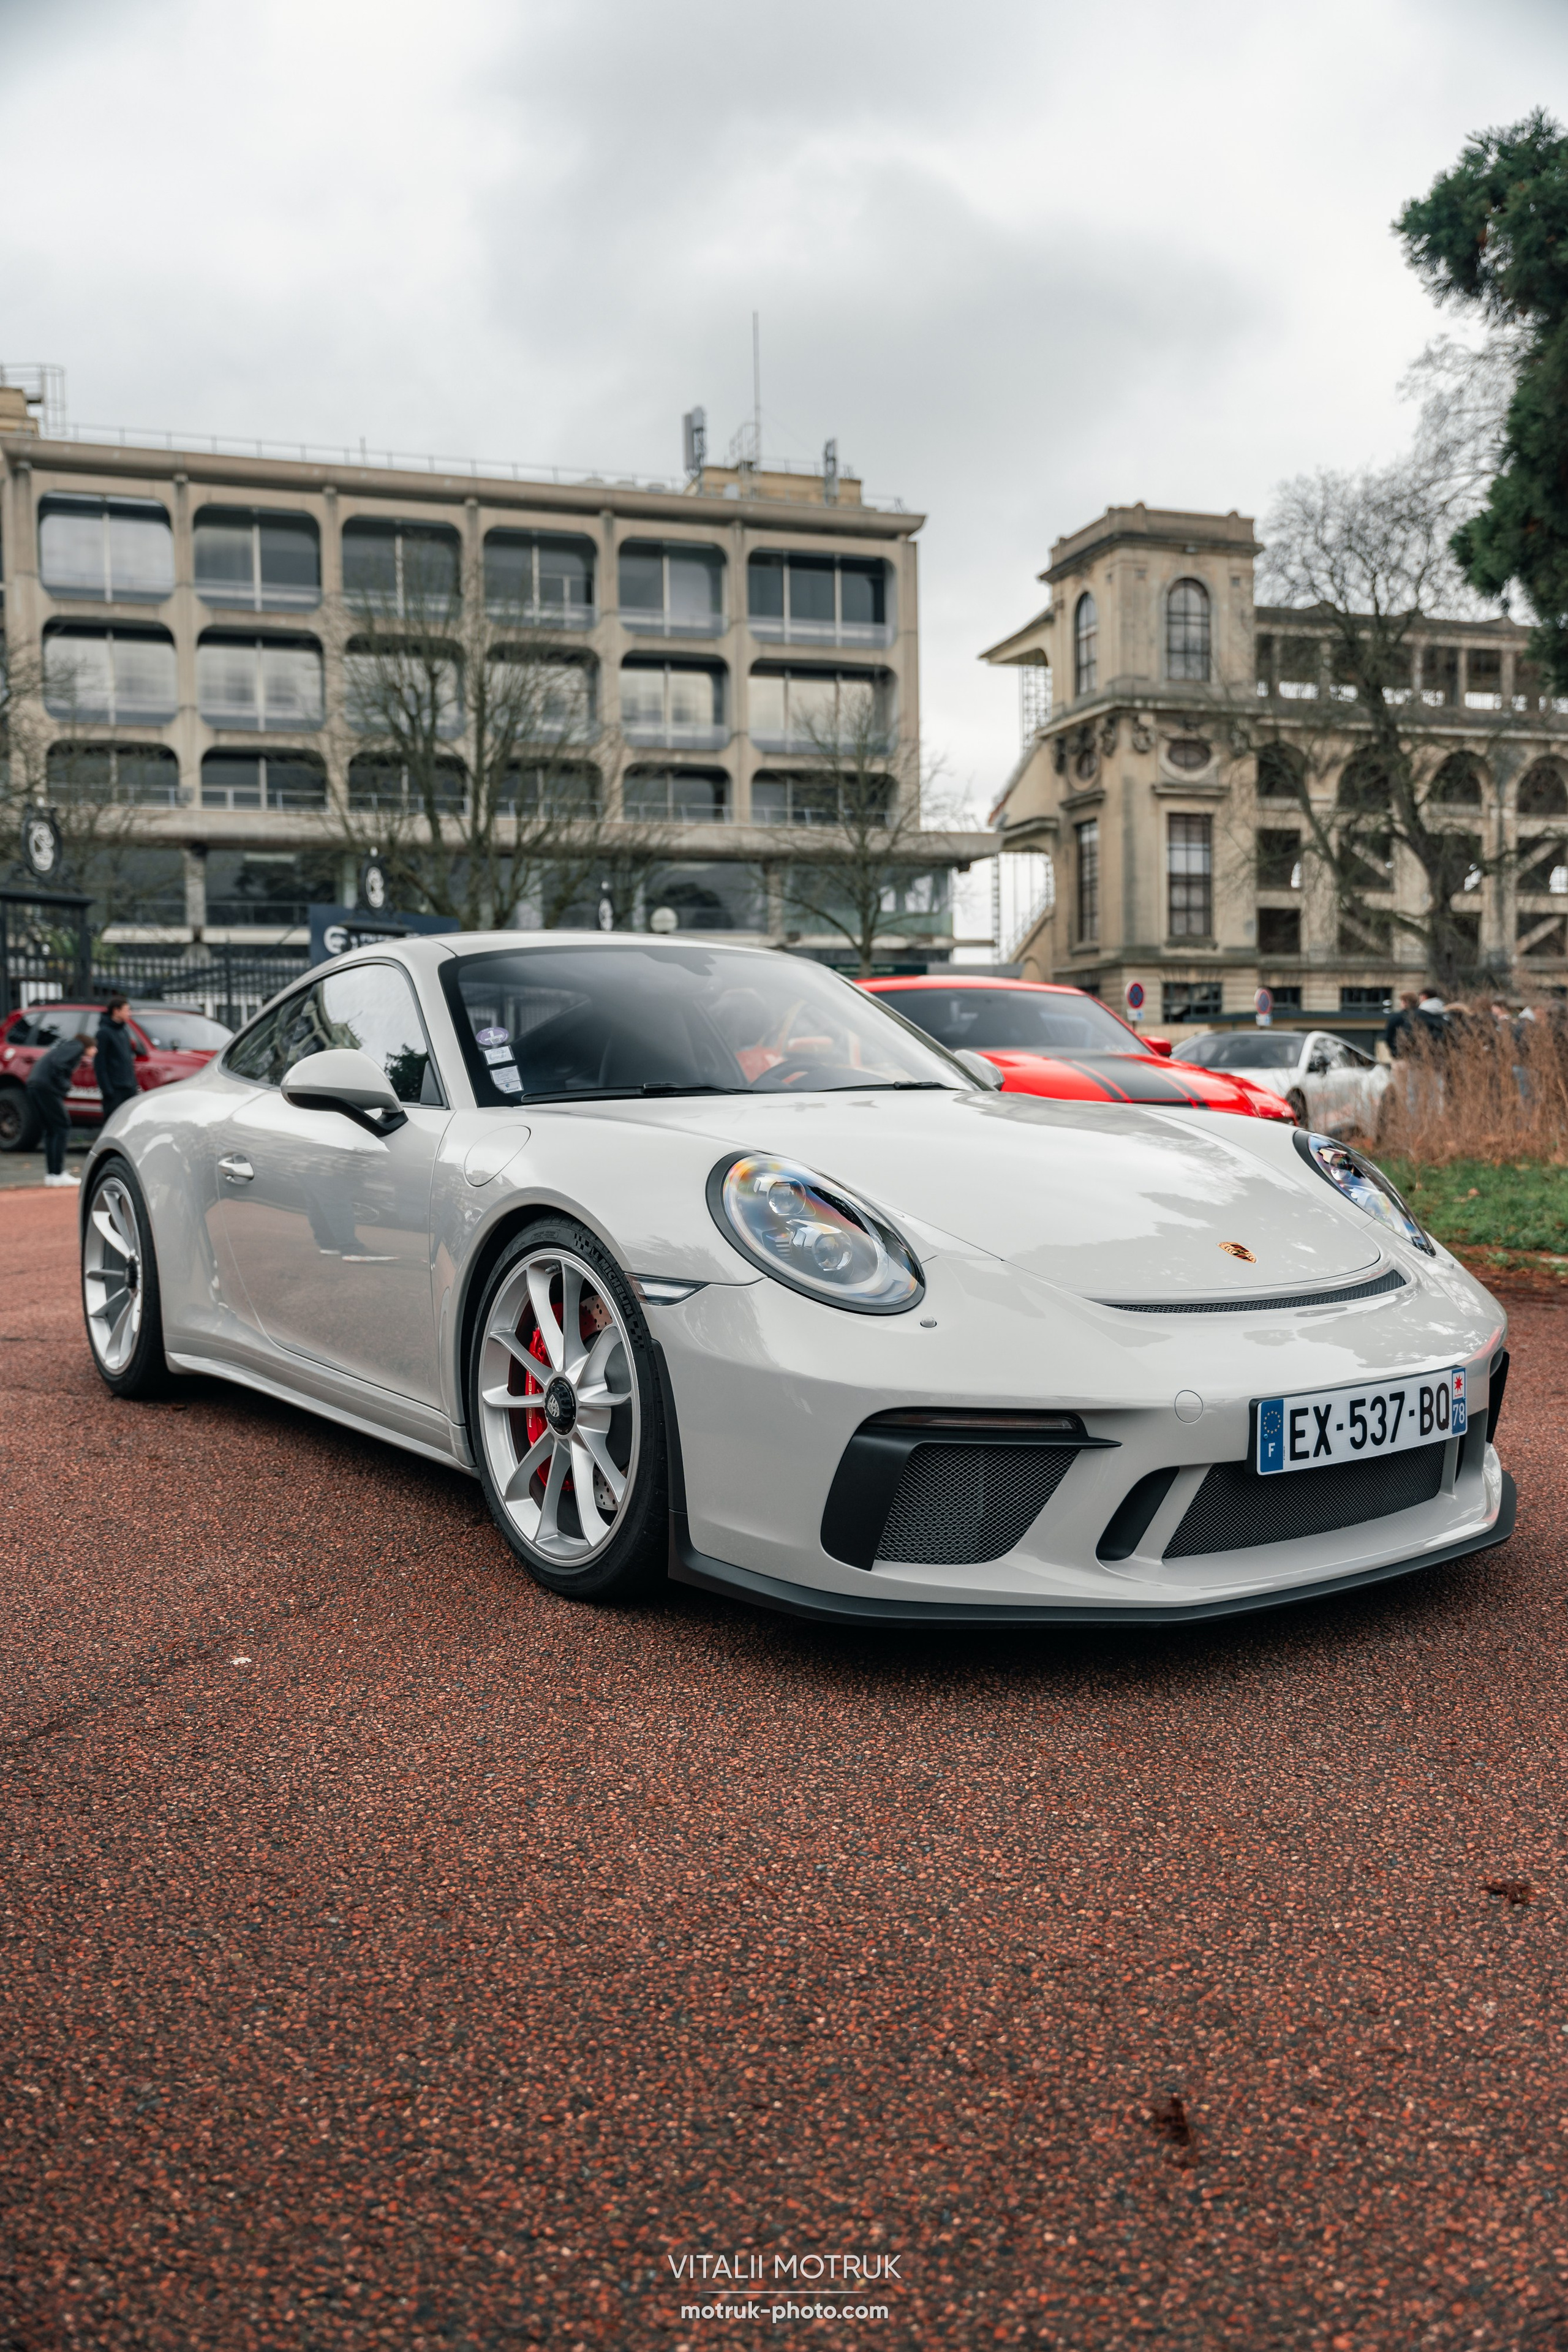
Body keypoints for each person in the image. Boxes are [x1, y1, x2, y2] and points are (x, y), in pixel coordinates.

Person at [25, 1024, 94, 1187]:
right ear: (88, 1045)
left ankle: (52, 1175)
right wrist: (64, 1085)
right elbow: (58, 1064)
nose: (95, 1052)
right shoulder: (76, 1046)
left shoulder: (64, 1046)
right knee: (62, 1126)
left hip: (35, 1085)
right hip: (46, 1087)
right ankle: (58, 1174)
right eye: (94, 1048)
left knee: (51, 1130)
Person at [94, 995, 141, 1122]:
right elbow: (100, 1064)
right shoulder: (104, 1033)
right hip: (115, 1090)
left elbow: (127, 1061)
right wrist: (107, 1090)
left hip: (129, 1087)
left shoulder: (124, 1031)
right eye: (127, 1010)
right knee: (113, 1122)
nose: (129, 1013)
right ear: (116, 1011)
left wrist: (133, 1084)